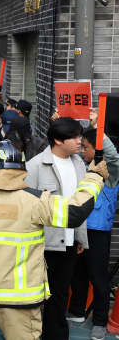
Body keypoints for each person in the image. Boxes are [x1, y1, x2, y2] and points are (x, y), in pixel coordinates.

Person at [0, 141, 107, 339]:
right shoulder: (35, 201)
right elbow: (75, 212)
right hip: (20, 303)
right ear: (21, 167)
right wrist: (94, 176)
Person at [24, 117, 87, 340]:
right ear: (58, 140)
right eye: (75, 137)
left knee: (60, 296)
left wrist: (78, 237)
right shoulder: (35, 166)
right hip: (42, 245)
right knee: (34, 297)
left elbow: (78, 203)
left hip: (69, 243)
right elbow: (26, 208)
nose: (80, 141)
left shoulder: (79, 163)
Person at [68, 125, 119, 340]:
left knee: (98, 279)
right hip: (79, 228)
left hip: (98, 232)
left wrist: (101, 134)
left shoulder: (110, 170)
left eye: (86, 147)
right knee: (77, 274)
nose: (82, 150)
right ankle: (77, 311)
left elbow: (114, 156)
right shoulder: (81, 166)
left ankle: (99, 321)